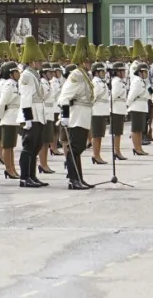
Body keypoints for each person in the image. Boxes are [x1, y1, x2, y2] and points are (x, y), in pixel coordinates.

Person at [57, 38, 94, 190]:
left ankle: (79, 177)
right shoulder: (76, 75)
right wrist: (65, 116)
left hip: (84, 115)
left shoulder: (84, 75)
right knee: (75, 148)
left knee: (78, 148)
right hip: (76, 116)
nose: (91, 63)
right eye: (89, 61)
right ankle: (73, 179)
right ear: (83, 61)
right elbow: (64, 97)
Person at [17, 36, 47, 189]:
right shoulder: (27, 76)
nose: (41, 63)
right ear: (32, 61)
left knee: (36, 146)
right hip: (31, 115)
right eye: (39, 61)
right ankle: (24, 177)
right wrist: (27, 118)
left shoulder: (34, 75)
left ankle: (32, 175)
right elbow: (26, 98)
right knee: (28, 147)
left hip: (38, 114)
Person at [0, 61, 21, 180]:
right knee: (7, 146)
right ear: (11, 74)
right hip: (8, 118)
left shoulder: (15, 84)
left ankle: (12, 168)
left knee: (11, 146)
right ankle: (8, 169)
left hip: (13, 117)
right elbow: (2, 102)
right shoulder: (8, 85)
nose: (18, 74)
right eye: (16, 72)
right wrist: (0, 116)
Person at [126, 62, 150, 156]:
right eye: (145, 72)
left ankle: (139, 147)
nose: (146, 74)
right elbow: (131, 95)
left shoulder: (144, 81)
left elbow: (149, 92)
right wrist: (127, 105)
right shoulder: (137, 81)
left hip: (143, 106)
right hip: (136, 107)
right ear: (140, 72)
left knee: (140, 129)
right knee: (136, 129)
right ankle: (136, 148)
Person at [90, 62, 110, 165]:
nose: (104, 73)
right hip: (97, 111)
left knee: (99, 136)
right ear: (96, 72)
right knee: (96, 135)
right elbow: (92, 98)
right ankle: (96, 155)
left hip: (102, 111)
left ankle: (98, 155)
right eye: (102, 71)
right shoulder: (96, 83)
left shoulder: (101, 82)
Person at [109, 62, 128, 161]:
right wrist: (110, 109)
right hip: (116, 109)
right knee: (116, 132)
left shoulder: (120, 81)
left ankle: (117, 150)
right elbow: (113, 96)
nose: (124, 73)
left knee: (118, 132)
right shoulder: (116, 82)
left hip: (120, 108)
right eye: (123, 71)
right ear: (118, 72)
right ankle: (116, 151)